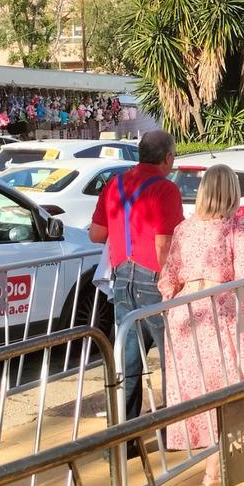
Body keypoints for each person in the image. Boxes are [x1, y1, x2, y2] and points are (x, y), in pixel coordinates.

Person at [156, 165, 244, 486]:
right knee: (227, 386)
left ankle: (212, 461)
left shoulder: (185, 228)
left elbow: (168, 276)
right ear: (232, 191)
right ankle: (215, 468)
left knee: (198, 390)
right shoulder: (238, 227)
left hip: (186, 313)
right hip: (221, 311)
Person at [90, 131, 184, 421]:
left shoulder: (115, 184)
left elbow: (96, 234)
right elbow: (164, 244)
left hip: (121, 276)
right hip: (153, 277)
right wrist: (173, 282)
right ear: (167, 158)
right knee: (172, 356)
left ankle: (121, 437)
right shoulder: (166, 190)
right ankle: (174, 431)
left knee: (127, 359)